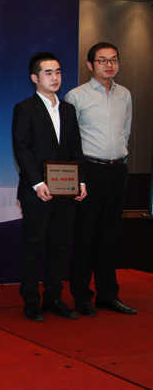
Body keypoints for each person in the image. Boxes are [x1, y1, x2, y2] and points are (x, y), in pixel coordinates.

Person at [11, 52, 86, 322]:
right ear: (35, 77)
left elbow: (76, 149)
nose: (55, 77)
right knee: (34, 246)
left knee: (59, 246)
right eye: (48, 73)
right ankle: (31, 300)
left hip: (66, 191)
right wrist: (37, 182)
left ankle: (54, 297)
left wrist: (81, 182)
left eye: (58, 72)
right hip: (37, 192)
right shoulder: (25, 108)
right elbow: (22, 149)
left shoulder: (68, 109)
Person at [66, 43, 136, 316]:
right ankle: (82, 295)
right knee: (85, 234)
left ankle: (108, 295)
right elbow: (70, 140)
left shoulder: (125, 94)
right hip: (89, 171)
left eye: (113, 60)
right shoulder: (76, 96)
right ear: (90, 65)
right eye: (102, 60)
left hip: (118, 170)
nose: (109, 65)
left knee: (110, 234)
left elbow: (126, 131)